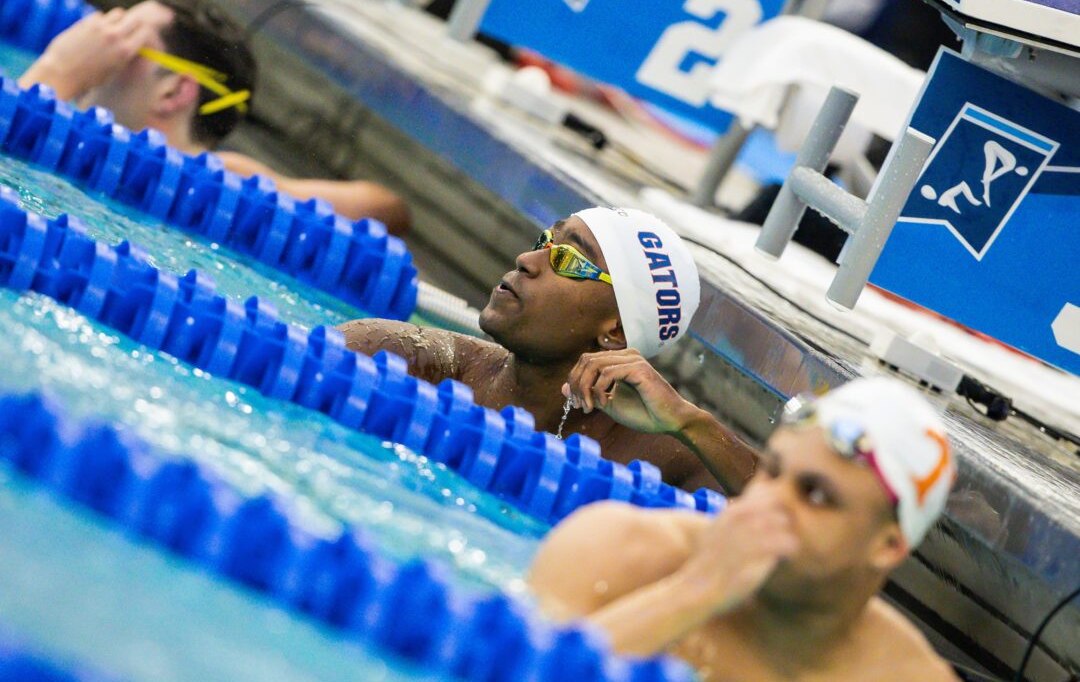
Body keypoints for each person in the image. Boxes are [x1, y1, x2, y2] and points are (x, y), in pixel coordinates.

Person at [529, 374, 959, 682]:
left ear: (887, 547)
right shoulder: (614, 553)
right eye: (772, 473)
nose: (771, 503)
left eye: (816, 495)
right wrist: (695, 591)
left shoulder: (906, 674)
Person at [339, 207, 759, 493]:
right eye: (545, 241)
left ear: (613, 333)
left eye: (569, 260)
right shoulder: (412, 360)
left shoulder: (658, 460)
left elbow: (813, 543)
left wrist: (692, 424)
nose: (527, 259)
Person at [17, 0, 409, 235]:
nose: (95, 39)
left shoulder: (226, 181)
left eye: (126, 38)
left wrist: (56, 72)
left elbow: (388, 208)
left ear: (173, 91)